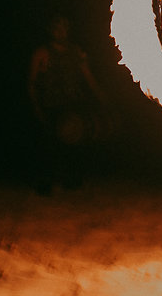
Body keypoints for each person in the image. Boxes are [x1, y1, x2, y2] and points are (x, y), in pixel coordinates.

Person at [28, 15, 107, 188]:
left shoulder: (76, 51)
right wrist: (35, 105)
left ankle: (71, 179)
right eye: (57, 27)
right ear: (51, 30)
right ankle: (45, 181)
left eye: (64, 27)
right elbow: (32, 82)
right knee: (50, 143)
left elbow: (88, 76)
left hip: (72, 102)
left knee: (75, 139)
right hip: (51, 103)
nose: (61, 31)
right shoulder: (42, 53)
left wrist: (101, 96)